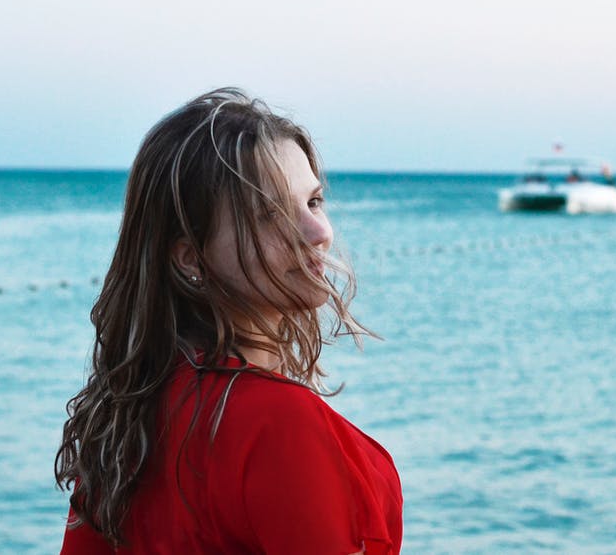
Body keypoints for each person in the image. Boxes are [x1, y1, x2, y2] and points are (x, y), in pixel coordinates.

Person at [55, 88, 402, 554]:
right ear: (190, 257)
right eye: (273, 215)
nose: (319, 234)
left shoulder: (124, 419)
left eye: (314, 202)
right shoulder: (278, 425)